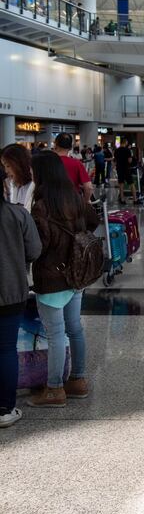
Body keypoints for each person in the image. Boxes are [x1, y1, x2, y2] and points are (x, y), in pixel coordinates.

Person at [28, 152, 99, 407]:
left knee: (55, 332)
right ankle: (77, 381)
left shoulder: (42, 205)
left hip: (51, 276)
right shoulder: (75, 197)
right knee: (74, 327)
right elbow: (93, 220)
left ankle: (55, 388)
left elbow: (38, 246)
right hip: (76, 272)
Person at [0, 144, 42, 428]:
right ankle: (5, 409)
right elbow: (34, 250)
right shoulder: (16, 215)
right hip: (10, 290)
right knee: (5, 349)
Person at [52, 133, 92, 203]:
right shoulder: (77, 163)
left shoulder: (47, 162)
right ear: (71, 147)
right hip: (72, 203)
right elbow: (88, 187)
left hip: (52, 203)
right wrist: (86, 201)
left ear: (55, 145)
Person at [2, 145, 35, 211]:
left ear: (20, 164)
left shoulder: (35, 185)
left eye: (8, 166)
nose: (6, 171)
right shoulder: (12, 184)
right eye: (4, 166)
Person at [113, 139, 139, 205]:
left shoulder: (116, 150)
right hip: (126, 169)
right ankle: (135, 200)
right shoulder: (127, 150)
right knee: (131, 184)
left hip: (119, 169)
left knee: (121, 184)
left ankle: (122, 199)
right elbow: (130, 160)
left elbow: (115, 160)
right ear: (125, 142)